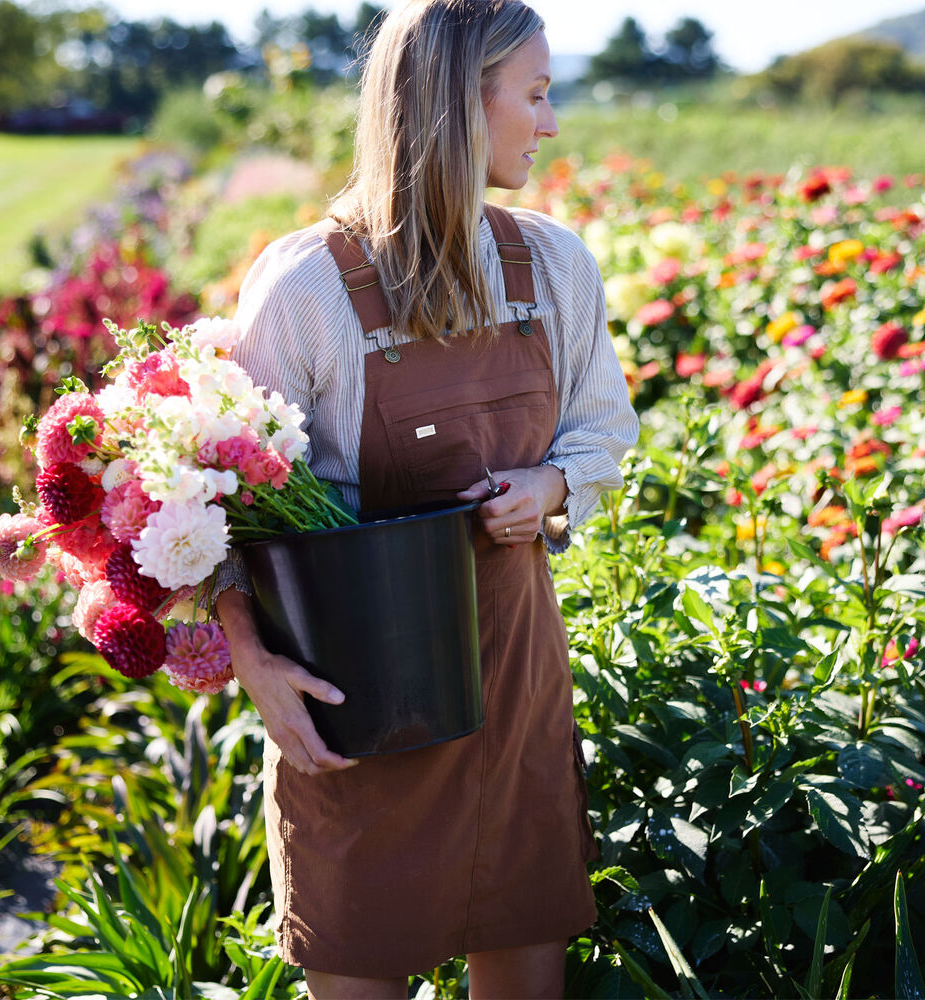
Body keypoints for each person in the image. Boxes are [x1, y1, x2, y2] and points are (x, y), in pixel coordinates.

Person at [214, 1, 639, 996]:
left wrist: (548, 483)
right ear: (457, 100)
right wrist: (250, 659)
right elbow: (218, 500)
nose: (551, 121)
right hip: (357, 718)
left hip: (514, 687)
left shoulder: (550, 267)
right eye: (533, 93)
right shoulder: (309, 288)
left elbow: (602, 426)